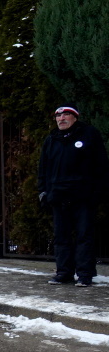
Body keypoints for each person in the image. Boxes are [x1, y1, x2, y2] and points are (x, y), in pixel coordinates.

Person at [37, 103, 107, 287]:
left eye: (66, 115)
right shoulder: (52, 140)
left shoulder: (89, 134)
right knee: (61, 237)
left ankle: (84, 275)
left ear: (75, 117)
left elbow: (100, 165)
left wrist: (96, 193)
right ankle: (64, 273)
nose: (61, 119)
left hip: (83, 196)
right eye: (58, 116)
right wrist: (43, 192)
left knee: (84, 236)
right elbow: (43, 169)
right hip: (58, 197)